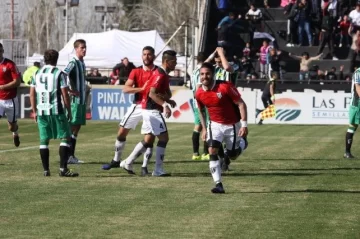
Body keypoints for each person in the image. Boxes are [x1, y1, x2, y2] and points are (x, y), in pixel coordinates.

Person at [102, 46, 158, 176]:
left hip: (152, 107)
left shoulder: (158, 72)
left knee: (150, 138)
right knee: (121, 132)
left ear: (153, 56)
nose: (146, 57)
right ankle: (116, 160)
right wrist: (141, 89)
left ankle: (143, 166)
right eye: (144, 54)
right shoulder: (136, 71)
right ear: (141, 56)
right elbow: (125, 89)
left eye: (149, 54)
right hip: (138, 105)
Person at [195, 62, 248, 194]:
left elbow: (241, 104)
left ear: (213, 74)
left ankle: (243, 143)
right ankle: (219, 184)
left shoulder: (225, 86)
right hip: (214, 125)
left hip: (232, 125)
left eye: (207, 74)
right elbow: (200, 110)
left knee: (233, 155)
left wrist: (244, 124)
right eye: (202, 74)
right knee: (212, 150)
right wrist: (204, 128)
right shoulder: (199, 92)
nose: (204, 77)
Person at [29, 49, 78, 177]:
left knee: (44, 140)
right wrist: (69, 111)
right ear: (56, 59)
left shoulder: (36, 73)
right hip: (56, 110)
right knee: (65, 137)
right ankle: (63, 169)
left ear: (45, 59)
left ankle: (46, 170)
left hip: (42, 111)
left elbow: (32, 94)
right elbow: (65, 94)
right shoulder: (58, 74)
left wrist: (34, 111)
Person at [137, 50, 177, 176]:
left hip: (150, 109)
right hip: (152, 110)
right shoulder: (160, 74)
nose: (175, 65)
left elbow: (165, 93)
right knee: (163, 138)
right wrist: (165, 105)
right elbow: (152, 93)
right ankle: (157, 169)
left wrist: (168, 99)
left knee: (149, 139)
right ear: (166, 62)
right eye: (174, 62)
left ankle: (127, 162)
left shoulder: (162, 74)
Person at [63, 39, 87, 164]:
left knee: (76, 128)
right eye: (82, 47)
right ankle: (67, 155)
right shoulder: (73, 62)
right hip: (75, 101)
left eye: (85, 47)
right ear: (76, 49)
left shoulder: (82, 63)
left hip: (81, 100)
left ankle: (70, 155)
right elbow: (63, 74)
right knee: (71, 127)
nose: (84, 49)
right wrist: (69, 90)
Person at [190, 52, 211, 161]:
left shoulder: (193, 71)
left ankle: (195, 153)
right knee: (206, 126)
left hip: (195, 102)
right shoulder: (201, 71)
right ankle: (205, 153)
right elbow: (199, 87)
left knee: (197, 126)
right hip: (202, 101)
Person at [0, 43, 21, 147]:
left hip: (10, 99)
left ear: (2, 51)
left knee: (11, 126)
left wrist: (3, 87)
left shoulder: (10, 64)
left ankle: (15, 132)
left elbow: (17, 81)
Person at [344, 66, 360, 158]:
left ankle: (347, 152)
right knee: (353, 126)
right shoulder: (358, 72)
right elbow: (358, 87)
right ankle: (347, 152)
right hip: (357, 104)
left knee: (353, 127)